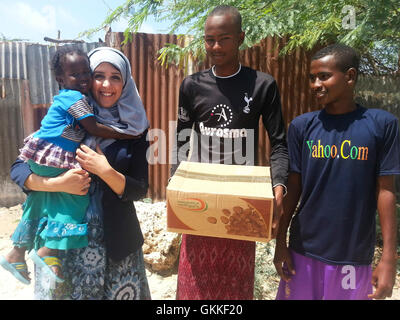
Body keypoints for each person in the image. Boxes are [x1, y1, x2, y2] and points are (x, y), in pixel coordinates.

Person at [8, 46, 151, 300]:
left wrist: (105, 171)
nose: (106, 84)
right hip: (60, 250)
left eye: (115, 77)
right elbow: (19, 169)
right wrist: (58, 183)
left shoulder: (135, 129)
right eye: (99, 76)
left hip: (115, 244)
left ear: (126, 82)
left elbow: (140, 189)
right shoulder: (65, 116)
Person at [170, 5, 289, 300]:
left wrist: (279, 186)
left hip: (241, 204)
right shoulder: (192, 85)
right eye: (209, 39)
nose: (215, 46)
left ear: (240, 38)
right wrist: (176, 184)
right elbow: (182, 141)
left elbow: (279, 143)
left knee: (234, 289)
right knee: (193, 285)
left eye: (224, 38)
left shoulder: (263, 85)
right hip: (201, 199)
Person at [273, 44, 400, 300]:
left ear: (350, 76)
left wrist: (389, 257)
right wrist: (280, 242)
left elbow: (386, 191)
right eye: (312, 78)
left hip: (352, 256)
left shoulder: (382, 126)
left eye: (324, 76)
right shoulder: (302, 127)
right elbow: (294, 187)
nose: (316, 84)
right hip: (303, 249)